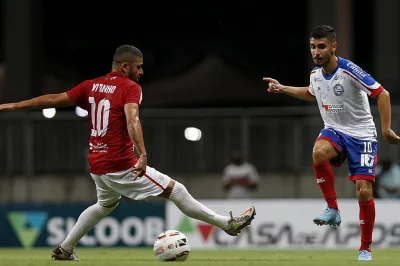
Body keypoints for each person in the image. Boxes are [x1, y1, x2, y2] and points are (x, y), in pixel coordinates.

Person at [0, 45, 256, 261]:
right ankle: (227, 225)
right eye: (139, 67)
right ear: (124, 66)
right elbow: (133, 120)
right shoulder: (129, 87)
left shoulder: (92, 85)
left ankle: (65, 248)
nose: (142, 72)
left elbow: (54, 99)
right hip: (120, 163)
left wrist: (15, 105)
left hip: (97, 163)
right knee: (176, 190)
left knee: (103, 205)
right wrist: (142, 155)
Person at [263, 25, 400, 261]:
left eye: (321, 47)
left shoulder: (348, 70)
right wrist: (283, 88)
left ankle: (365, 249)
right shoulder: (315, 74)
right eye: (313, 47)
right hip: (335, 130)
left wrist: (386, 129)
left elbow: (382, 94)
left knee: (365, 193)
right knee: (318, 152)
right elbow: (312, 92)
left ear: (333, 47)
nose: (316, 52)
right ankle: (332, 209)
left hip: (363, 136)